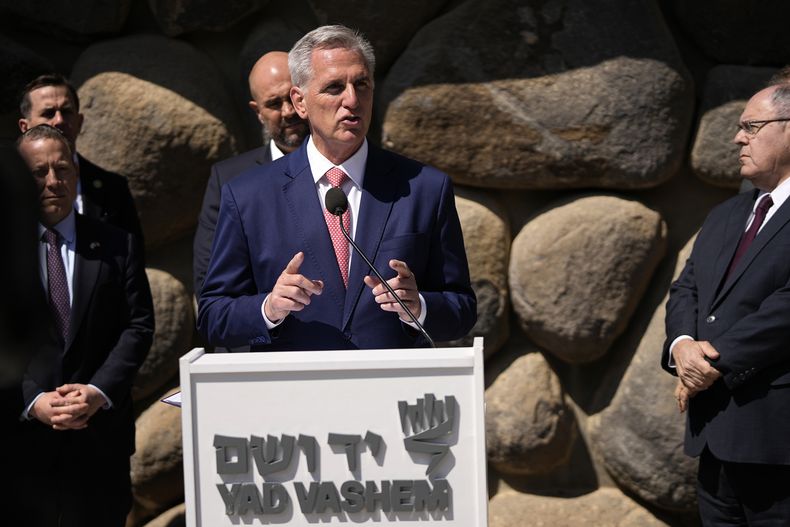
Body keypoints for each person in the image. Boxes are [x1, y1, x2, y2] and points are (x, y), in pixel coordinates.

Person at [197, 25, 476, 351]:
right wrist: (269, 308)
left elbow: (462, 309)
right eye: (334, 87)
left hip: (392, 390)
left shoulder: (424, 187)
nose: (352, 100)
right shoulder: (247, 195)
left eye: (362, 84)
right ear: (300, 102)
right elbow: (213, 317)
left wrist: (418, 307)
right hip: (292, 392)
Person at [15, 124, 154, 525]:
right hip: (22, 448)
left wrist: (97, 390)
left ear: (76, 174)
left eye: (62, 169)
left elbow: (138, 326)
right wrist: (32, 401)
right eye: (39, 172)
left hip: (100, 443)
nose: (53, 181)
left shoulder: (116, 244)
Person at [664, 84, 790, 524]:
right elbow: (687, 289)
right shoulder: (726, 214)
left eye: (751, 127)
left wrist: (715, 360)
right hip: (713, 437)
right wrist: (682, 345)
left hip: (778, 442)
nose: (739, 138)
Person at [193, 51, 309, 295]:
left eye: (293, 97)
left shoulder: (349, 164)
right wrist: (269, 313)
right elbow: (211, 284)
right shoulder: (229, 181)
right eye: (274, 104)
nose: (288, 111)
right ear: (257, 112)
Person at [18, 73, 143, 240]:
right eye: (48, 113)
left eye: (66, 111)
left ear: (80, 121)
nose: (59, 120)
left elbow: (132, 258)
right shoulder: (7, 185)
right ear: (25, 126)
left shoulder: (113, 189)